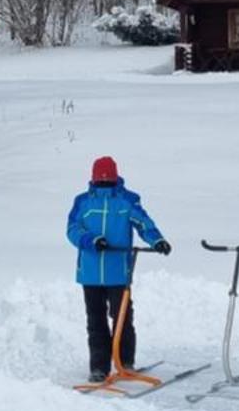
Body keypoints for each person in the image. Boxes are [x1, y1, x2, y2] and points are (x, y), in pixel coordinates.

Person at [67, 156, 171, 380]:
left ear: (115, 179)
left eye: (108, 181)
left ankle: (125, 361)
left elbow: (144, 223)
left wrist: (157, 240)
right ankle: (99, 367)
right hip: (90, 271)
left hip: (118, 270)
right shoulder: (83, 202)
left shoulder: (126, 201)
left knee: (122, 316)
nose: (104, 184)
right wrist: (91, 241)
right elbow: (73, 229)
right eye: (100, 181)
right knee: (95, 320)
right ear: (93, 179)